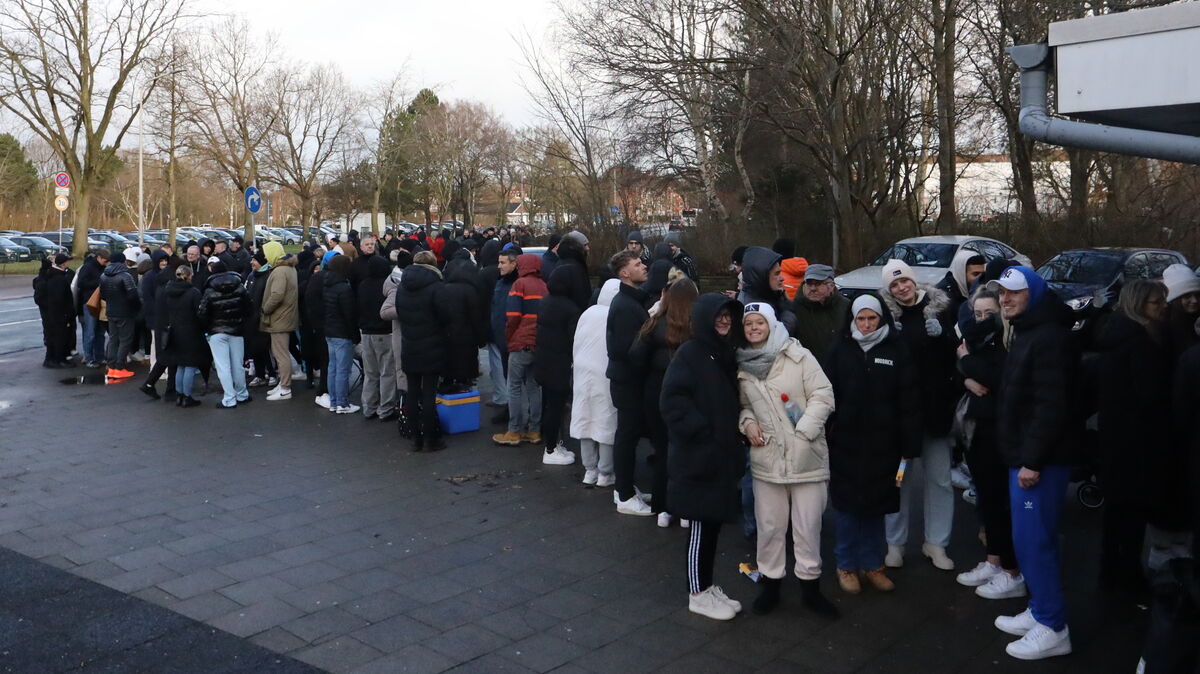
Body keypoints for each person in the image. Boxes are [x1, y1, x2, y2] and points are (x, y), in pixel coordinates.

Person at [988, 265, 1078, 660]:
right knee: (1028, 540)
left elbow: (1050, 405)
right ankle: (1041, 609)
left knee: (1035, 542)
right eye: (1002, 294)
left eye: (1013, 293)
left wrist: (1032, 460)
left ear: (1034, 295)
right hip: (1025, 455)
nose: (1005, 299)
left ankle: (1053, 627)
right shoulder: (1028, 330)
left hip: (1038, 461)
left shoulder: (1049, 339)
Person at [735, 300, 838, 616]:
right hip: (768, 460)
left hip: (806, 457)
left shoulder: (798, 355)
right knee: (769, 526)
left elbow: (824, 394)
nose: (754, 328)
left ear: (772, 324)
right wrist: (748, 424)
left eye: (760, 322)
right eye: (749, 323)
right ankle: (771, 583)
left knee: (808, 526)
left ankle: (810, 586)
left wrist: (804, 431)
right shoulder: (741, 366)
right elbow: (743, 407)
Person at [824, 294, 920, 595]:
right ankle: (846, 564)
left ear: (882, 319)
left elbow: (910, 398)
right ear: (852, 320)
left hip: (884, 443)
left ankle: (873, 563)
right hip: (846, 442)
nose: (866, 325)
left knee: (876, 508)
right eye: (860, 319)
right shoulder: (839, 349)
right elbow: (826, 393)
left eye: (872, 318)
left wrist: (910, 441)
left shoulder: (896, 349)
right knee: (848, 508)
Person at [661, 293, 745, 621]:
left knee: (711, 526)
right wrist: (703, 434)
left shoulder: (722, 353)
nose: (724, 321)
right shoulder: (690, 354)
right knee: (699, 527)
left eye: (728, 316)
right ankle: (697, 592)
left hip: (717, 457)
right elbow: (672, 402)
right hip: (698, 458)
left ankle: (707, 586)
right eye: (718, 316)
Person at [878, 259, 958, 571]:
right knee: (898, 480)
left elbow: (955, 351)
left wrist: (942, 336)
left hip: (935, 409)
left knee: (939, 479)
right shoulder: (886, 316)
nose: (901, 288)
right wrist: (888, 337)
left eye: (904, 281)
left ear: (914, 281)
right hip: (901, 414)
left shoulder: (938, 309)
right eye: (894, 284)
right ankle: (895, 543)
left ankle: (936, 542)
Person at [1095, 279, 1173, 596]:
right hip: (1137, 443)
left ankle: (1112, 573)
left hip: (1115, 439)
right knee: (1132, 515)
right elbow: (1150, 396)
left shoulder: (1113, 335)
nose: (1164, 307)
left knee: (1117, 514)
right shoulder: (1141, 344)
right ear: (1140, 306)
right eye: (1157, 302)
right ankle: (1127, 578)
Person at [954, 288, 1026, 600]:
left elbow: (998, 378)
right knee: (987, 499)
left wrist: (967, 363)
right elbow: (961, 367)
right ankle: (994, 560)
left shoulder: (1009, 342)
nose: (983, 320)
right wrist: (966, 375)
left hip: (1002, 432)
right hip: (977, 431)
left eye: (989, 314)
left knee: (1001, 501)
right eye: (978, 314)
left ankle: (1011, 569)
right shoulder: (975, 344)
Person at [630, 278, 698, 526]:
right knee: (686, 453)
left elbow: (635, 357)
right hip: (687, 398)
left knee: (661, 451)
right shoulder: (696, 329)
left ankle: (662, 508)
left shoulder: (653, 325)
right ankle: (684, 509)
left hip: (655, 395)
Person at [606, 250, 653, 516]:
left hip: (630, 380)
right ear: (624, 273)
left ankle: (624, 488)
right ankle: (624, 495)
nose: (643, 266)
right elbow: (626, 349)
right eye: (637, 264)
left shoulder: (631, 300)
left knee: (629, 434)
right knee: (627, 435)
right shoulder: (624, 305)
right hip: (628, 382)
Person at [395, 251, 448, 451]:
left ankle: (415, 438)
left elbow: (400, 312)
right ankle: (431, 439)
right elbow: (445, 316)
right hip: (432, 345)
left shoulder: (403, 286)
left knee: (412, 393)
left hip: (410, 344)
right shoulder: (437, 286)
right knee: (429, 394)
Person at [492, 253, 546, 447]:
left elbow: (512, 317)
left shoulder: (519, 285)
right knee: (533, 387)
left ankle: (514, 431)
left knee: (513, 386)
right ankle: (534, 430)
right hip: (538, 343)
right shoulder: (543, 286)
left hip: (520, 342)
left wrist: (509, 338)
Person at [572, 279, 621, 487]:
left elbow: (576, 341)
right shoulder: (615, 314)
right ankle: (605, 472)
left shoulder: (587, 313)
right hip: (604, 374)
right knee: (605, 422)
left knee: (585, 420)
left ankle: (589, 470)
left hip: (582, 373)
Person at [535, 264, 581, 465]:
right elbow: (574, 340)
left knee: (550, 405)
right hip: (559, 364)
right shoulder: (570, 308)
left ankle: (552, 444)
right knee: (556, 407)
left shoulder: (545, 301)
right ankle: (551, 448)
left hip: (544, 361)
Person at [198, 260, 252, 409]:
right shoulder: (240, 287)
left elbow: (202, 313)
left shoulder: (209, 290)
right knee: (238, 365)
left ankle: (229, 398)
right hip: (237, 329)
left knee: (223, 366)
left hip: (216, 331)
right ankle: (242, 394)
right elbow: (249, 307)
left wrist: (207, 327)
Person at [158, 265, 206, 407]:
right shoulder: (193, 292)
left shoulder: (168, 291)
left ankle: (179, 395)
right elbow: (200, 314)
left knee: (180, 365)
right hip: (191, 332)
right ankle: (187, 396)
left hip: (174, 331)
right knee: (190, 365)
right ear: (189, 275)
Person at [357, 255, 398, 420]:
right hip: (384, 332)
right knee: (387, 372)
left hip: (366, 333)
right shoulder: (386, 285)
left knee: (370, 373)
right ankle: (386, 408)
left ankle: (368, 407)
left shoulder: (363, 285)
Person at [322, 254, 360, 415]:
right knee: (343, 370)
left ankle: (334, 401)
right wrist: (355, 336)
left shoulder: (327, 284)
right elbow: (349, 314)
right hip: (342, 333)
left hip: (330, 330)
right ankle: (342, 403)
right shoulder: (344, 288)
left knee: (333, 368)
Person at [440, 258, 485, 392]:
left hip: (447, 335)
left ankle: (448, 392)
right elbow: (475, 316)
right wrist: (480, 338)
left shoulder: (445, 288)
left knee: (449, 368)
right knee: (464, 371)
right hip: (467, 337)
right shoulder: (471, 290)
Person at [791, 264, 850, 361]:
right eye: (809, 283)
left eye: (818, 283)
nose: (813, 288)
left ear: (831, 286)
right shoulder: (794, 309)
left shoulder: (846, 306)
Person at [99, 247, 141, 379]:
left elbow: (103, 295)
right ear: (123, 262)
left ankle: (111, 366)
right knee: (125, 340)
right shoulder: (125, 275)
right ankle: (119, 367)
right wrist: (136, 307)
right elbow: (133, 295)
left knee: (113, 339)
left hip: (111, 311)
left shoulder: (104, 275)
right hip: (125, 312)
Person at [37, 253, 75, 368]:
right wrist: (67, 313)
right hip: (58, 314)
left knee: (53, 336)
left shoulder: (50, 277)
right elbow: (61, 299)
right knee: (59, 336)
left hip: (52, 313)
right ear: (63, 264)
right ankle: (59, 359)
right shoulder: (59, 279)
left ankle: (52, 359)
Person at [75, 248, 109, 367]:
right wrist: (98, 283)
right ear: (99, 257)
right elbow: (81, 283)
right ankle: (89, 357)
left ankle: (99, 356)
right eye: (105, 261)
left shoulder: (101, 268)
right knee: (90, 332)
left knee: (99, 331)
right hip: (89, 302)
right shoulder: (88, 267)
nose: (106, 263)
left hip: (99, 302)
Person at [937, 250, 987, 320]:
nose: (981, 278)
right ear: (962, 274)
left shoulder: (979, 290)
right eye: (975, 274)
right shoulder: (944, 299)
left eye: (983, 274)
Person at [1163, 263, 1200, 360]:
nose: (1195, 300)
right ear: (1175, 299)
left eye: (1197, 295)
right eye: (1187, 296)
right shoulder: (1166, 324)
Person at [549, 231, 591, 312]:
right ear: (576, 247)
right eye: (585, 245)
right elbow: (581, 297)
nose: (588, 248)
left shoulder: (567, 263)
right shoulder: (573, 267)